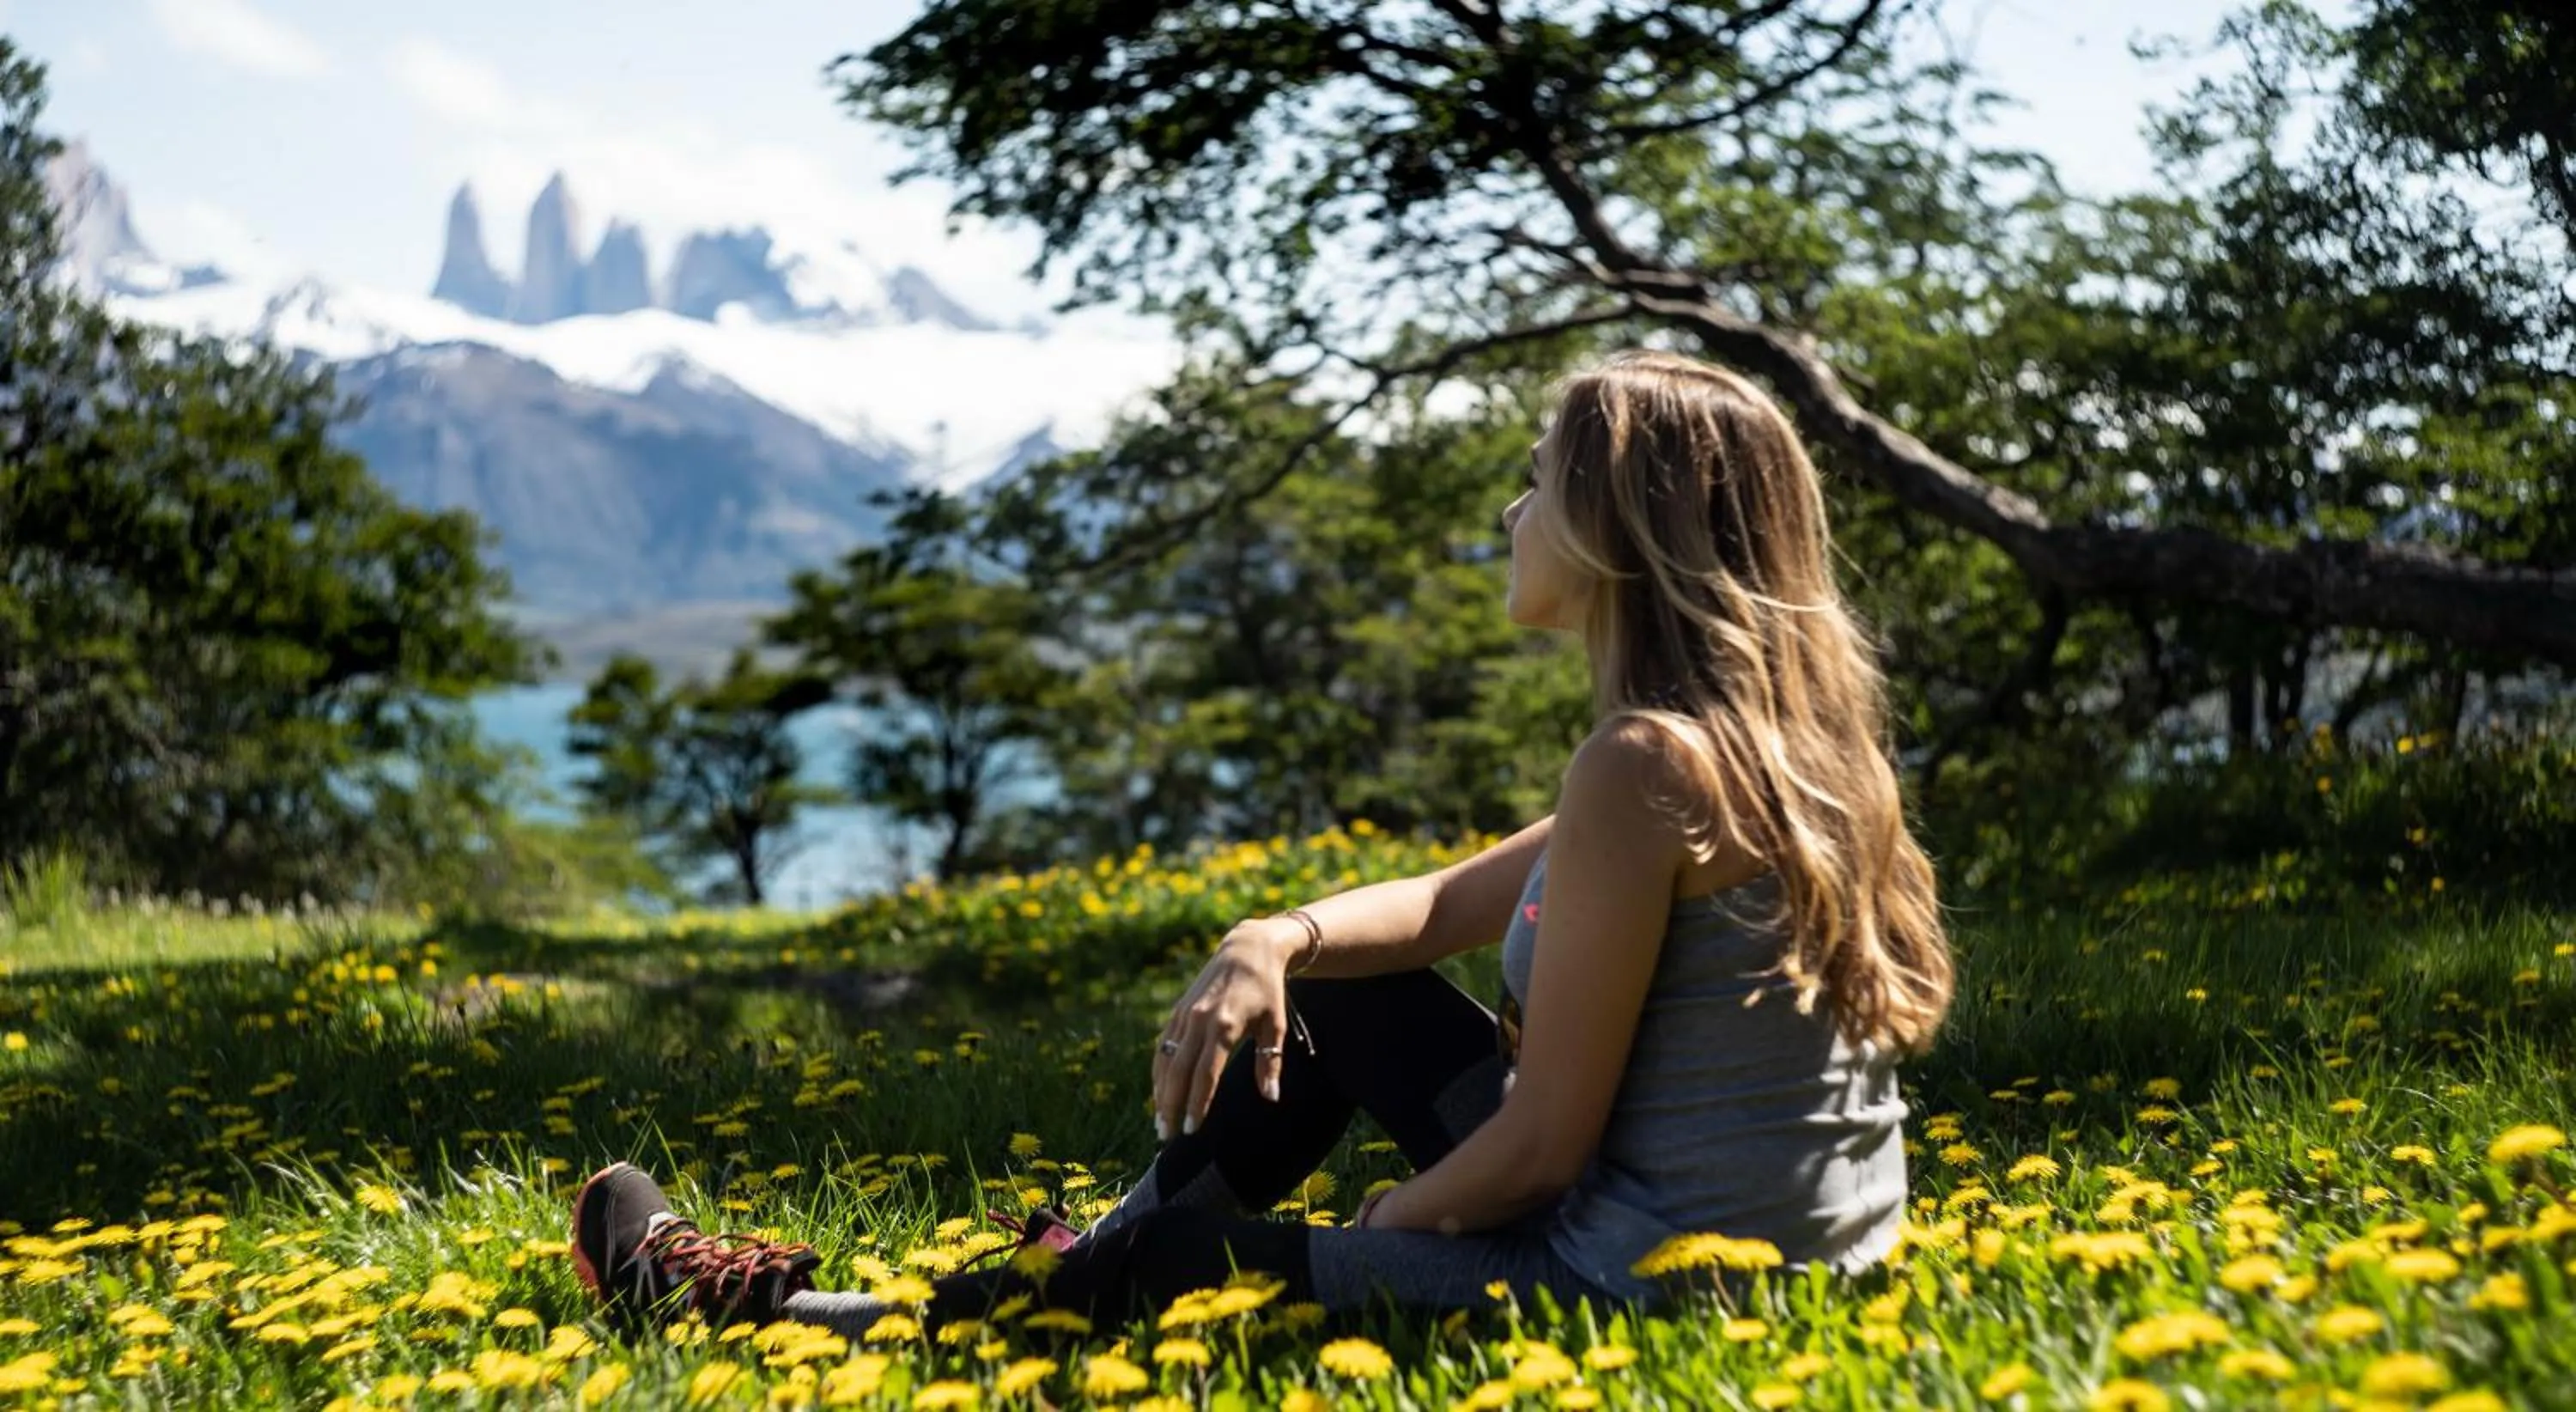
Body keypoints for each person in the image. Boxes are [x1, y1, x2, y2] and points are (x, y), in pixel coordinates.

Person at [566, 348, 1956, 1338]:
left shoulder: (1644, 766)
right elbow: (1429, 911)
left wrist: (1371, 1245)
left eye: (1536, 483)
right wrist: (1268, 939)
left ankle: (770, 1308)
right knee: (1348, 998)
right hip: (1788, 1271)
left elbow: (1538, 1158)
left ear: (1612, 527)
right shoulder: (1769, 753)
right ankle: (1107, 1252)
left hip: (1645, 1294)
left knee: (1166, 1285)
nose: (1510, 514)